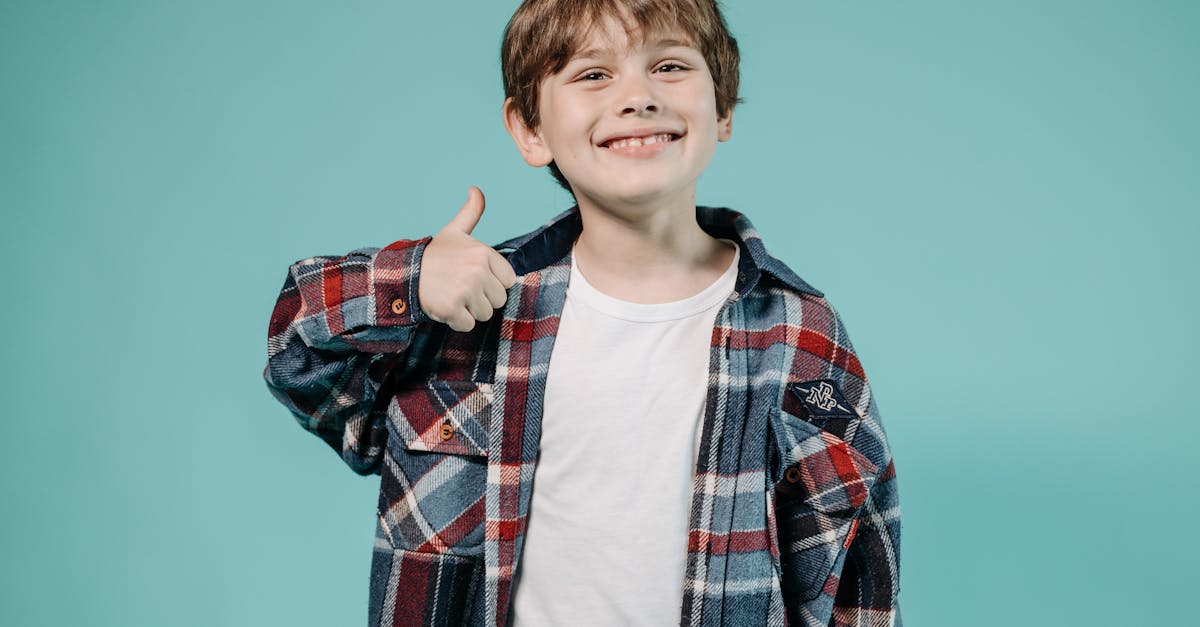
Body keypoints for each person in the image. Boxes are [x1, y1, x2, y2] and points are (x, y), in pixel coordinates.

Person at [263, 0, 901, 625]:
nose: (637, 97)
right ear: (530, 130)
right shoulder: (471, 307)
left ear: (723, 107)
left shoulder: (796, 330)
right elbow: (296, 358)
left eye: (670, 66)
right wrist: (412, 277)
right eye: (594, 75)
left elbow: (855, 560)